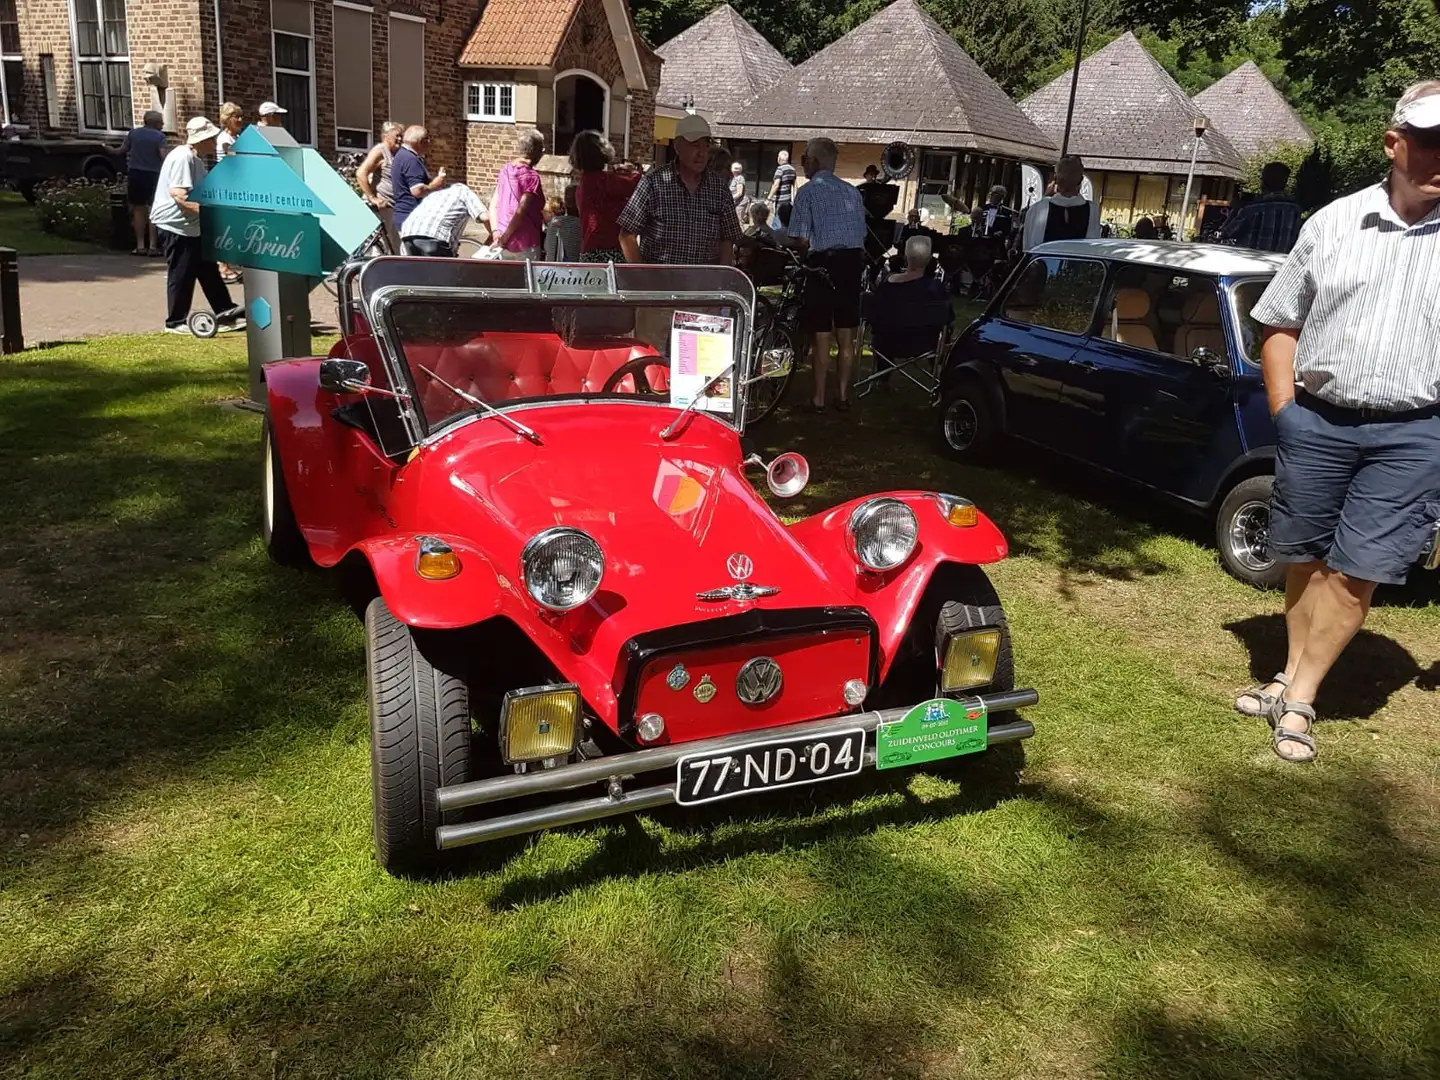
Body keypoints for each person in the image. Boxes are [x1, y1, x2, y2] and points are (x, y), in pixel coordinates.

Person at [1233, 81, 1440, 764]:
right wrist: (1284, 412)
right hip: (1317, 421)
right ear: (1395, 142)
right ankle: (1289, 674)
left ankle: (1299, 697)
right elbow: (1279, 321)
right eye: (1431, 141)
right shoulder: (1331, 223)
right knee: (1307, 555)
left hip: (1414, 432)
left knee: (1359, 572)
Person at [785, 136, 867, 411]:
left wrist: (778, 238)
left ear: (815, 161)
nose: (803, 163)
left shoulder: (808, 192)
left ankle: (819, 396)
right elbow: (861, 234)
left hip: (823, 263)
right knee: (847, 334)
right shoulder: (853, 193)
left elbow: (800, 239)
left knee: (822, 333)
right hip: (852, 263)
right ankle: (843, 395)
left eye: (805, 158)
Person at [149, 116, 241, 334]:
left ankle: (225, 311)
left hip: (191, 226)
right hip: (175, 225)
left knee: (207, 269)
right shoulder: (183, 158)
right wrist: (212, 216)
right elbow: (180, 196)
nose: (214, 142)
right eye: (211, 138)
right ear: (203, 138)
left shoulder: (195, 159)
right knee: (181, 272)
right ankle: (175, 321)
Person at [616, 113, 743, 265]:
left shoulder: (719, 188)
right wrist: (642, 276)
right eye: (695, 145)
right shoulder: (653, 183)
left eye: (706, 145)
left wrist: (721, 280)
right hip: (661, 284)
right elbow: (627, 234)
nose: (702, 152)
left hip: (704, 285)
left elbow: (727, 239)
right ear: (677, 146)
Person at [569, 129, 639, 264]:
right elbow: (634, 186)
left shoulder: (583, 184)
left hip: (589, 251)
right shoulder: (604, 180)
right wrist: (634, 171)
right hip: (610, 250)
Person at [1219, 161, 1304, 253]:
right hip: (1280, 263)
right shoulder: (1296, 210)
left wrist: (1236, 209)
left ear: (1264, 181)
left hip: (1248, 262)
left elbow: (1226, 233)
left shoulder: (1252, 209)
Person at [1020, 155, 1101, 251]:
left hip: (1045, 263)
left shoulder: (1038, 209)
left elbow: (1028, 247)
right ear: (1081, 180)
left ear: (1055, 178)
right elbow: (1092, 247)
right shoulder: (1092, 211)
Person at [491, 128, 546, 260]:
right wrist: (505, 237)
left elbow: (493, 205)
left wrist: (496, 232)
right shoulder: (532, 177)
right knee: (528, 280)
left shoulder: (505, 171)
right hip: (526, 242)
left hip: (502, 240)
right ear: (537, 152)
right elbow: (521, 211)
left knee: (507, 280)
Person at [120, 109, 166, 256]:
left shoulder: (133, 133)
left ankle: (140, 245)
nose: (163, 124)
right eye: (161, 122)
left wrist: (107, 149)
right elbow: (163, 156)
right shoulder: (160, 136)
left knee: (138, 209)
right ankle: (153, 246)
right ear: (157, 123)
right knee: (154, 209)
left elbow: (122, 150)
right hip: (154, 175)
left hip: (135, 174)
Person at [399, 182, 489, 257]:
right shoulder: (463, 190)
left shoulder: (433, 195)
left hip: (408, 234)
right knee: (443, 276)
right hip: (434, 235)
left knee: (417, 276)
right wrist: (495, 234)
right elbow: (484, 216)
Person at [356, 121, 404, 250]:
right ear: (386, 136)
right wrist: (373, 198)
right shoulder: (380, 151)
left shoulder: (398, 153)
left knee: (395, 248)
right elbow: (361, 173)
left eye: (401, 136)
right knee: (384, 248)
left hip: (395, 207)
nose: (400, 139)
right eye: (397, 136)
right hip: (383, 208)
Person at [390, 125, 446, 233]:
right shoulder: (410, 159)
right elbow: (417, 191)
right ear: (420, 142)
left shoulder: (401, 155)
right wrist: (435, 184)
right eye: (427, 139)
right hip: (411, 217)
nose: (430, 142)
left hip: (404, 216)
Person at [544, 184, 582, 262]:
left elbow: (547, 248)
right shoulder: (582, 225)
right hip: (576, 271)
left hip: (551, 271)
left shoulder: (554, 223)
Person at [767, 149, 797, 217]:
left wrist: (769, 198)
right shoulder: (792, 169)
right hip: (788, 200)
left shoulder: (780, 169)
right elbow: (795, 187)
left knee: (778, 221)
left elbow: (776, 185)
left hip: (779, 201)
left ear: (779, 158)